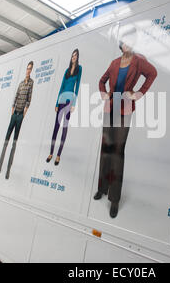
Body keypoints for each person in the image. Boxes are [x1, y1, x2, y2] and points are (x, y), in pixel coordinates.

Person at [93, 31, 157, 218]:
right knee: (106, 149)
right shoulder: (114, 63)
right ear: (121, 44)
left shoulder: (138, 60)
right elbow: (102, 80)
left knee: (118, 152)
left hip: (124, 110)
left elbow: (153, 74)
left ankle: (114, 199)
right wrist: (103, 93)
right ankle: (102, 188)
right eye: (124, 42)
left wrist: (137, 94)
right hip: (109, 109)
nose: (127, 44)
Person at [0, 62, 34, 180]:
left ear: (31, 71)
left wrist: (23, 115)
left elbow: (29, 100)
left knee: (14, 144)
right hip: (14, 114)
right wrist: (12, 111)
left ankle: (8, 170)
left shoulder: (31, 83)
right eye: (27, 69)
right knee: (6, 141)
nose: (28, 71)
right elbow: (16, 97)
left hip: (20, 116)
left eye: (30, 69)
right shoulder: (21, 83)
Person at [46, 49, 82, 166]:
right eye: (72, 55)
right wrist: (56, 103)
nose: (74, 57)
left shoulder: (79, 69)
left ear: (77, 57)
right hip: (61, 100)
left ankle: (58, 155)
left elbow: (77, 87)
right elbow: (61, 86)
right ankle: (51, 153)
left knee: (64, 127)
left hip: (69, 101)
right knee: (56, 127)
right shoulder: (67, 71)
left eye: (75, 55)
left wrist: (74, 103)